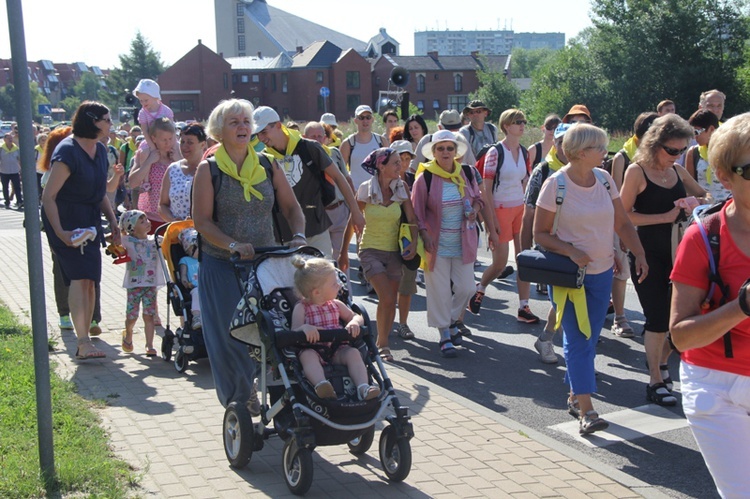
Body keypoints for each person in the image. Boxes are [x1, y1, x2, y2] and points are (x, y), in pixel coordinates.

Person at [533, 123, 647, 435]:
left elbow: (622, 222)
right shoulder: (555, 185)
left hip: (602, 273)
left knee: (589, 337)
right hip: (571, 277)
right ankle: (588, 410)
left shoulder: (604, 178)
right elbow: (539, 233)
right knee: (580, 340)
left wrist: (639, 254)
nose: (605, 153)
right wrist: (570, 251)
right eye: (599, 148)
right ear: (582, 152)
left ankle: (573, 395)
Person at [192, 98, 305, 411]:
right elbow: (201, 221)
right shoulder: (209, 169)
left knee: (274, 330)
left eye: (246, 121)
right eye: (234, 122)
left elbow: (292, 208)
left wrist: (297, 235)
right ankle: (240, 400)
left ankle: (279, 393)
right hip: (223, 265)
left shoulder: (267, 164)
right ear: (219, 131)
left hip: (266, 262)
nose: (242, 127)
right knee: (233, 336)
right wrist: (231, 244)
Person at [669, 112, 750, 498]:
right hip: (715, 388)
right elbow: (681, 337)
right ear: (724, 175)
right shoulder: (704, 238)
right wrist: (742, 305)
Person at [620, 114, 708, 406]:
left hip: (680, 254)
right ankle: (655, 379)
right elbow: (622, 215)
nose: (677, 155)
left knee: (679, 318)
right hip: (647, 254)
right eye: (671, 150)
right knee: (656, 318)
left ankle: (660, 362)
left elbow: (705, 194)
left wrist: (698, 202)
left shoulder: (679, 172)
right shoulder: (637, 172)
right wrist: (666, 217)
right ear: (654, 144)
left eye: (682, 150)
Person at [41, 101, 120, 360]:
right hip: (65, 220)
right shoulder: (67, 151)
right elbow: (48, 197)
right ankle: (82, 341)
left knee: (90, 280)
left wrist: (113, 222)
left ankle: (85, 337)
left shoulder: (100, 150)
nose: (111, 124)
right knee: (79, 276)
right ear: (93, 121)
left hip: (89, 220)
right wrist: (61, 233)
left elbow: (100, 193)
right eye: (107, 119)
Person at [253, 106, 364, 256]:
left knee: (324, 277)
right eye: (258, 134)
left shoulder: (309, 147)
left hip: (317, 231)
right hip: (282, 235)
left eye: (264, 132)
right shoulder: (263, 159)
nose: (261, 138)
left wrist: (356, 212)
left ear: (278, 125)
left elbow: (339, 177)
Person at [340, 148, 418, 360]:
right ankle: (382, 345)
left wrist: (414, 243)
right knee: (387, 296)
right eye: (394, 163)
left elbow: (412, 219)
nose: (399, 166)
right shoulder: (366, 189)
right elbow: (352, 220)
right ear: (381, 166)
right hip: (370, 250)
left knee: (389, 299)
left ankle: (381, 342)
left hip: (394, 251)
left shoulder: (401, 188)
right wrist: (343, 253)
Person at [412, 130, 483, 358]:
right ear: (433, 152)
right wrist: (424, 234)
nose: (445, 152)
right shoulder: (426, 177)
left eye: (449, 148)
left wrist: (475, 212)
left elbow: (479, 200)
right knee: (439, 292)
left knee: (467, 288)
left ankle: (451, 320)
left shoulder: (467, 173)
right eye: (440, 148)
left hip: (464, 241)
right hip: (436, 244)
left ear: (456, 152)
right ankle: (444, 334)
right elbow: (417, 211)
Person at [470, 109, 540, 324]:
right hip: (499, 210)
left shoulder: (525, 153)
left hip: (519, 209)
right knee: (500, 263)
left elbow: (525, 183)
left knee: (524, 261)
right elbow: (486, 191)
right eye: (517, 122)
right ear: (506, 126)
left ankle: (523, 307)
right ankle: (479, 288)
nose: (522, 125)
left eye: (524, 121)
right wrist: (490, 225)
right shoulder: (495, 152)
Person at [290, 256, 380, 401]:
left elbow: (355, 316)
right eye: (334, 284)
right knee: (307, 356)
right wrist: (304, 328)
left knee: (353, 353)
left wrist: (354, 323)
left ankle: (363, 387)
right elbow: (294, 331)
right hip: (313, 348)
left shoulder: (336, 304)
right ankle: (322, 385)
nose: (339, 285)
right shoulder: (302, 308)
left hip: (338, 348)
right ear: (317, 292)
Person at [521, 122, 572, 363]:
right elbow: (529, 213)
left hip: (581, 244)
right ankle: (560, 345)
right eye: (561, 142)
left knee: (568, 298)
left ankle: (549, 338)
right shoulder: (543, 171)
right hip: (551, 246)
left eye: (571, 142)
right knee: (563, 298)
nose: (566, 148)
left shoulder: (589, 170)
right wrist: (525, 253)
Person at [609, 112, 658, 339]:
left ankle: (655, 318)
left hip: (652, 224)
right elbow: (617, 200)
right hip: (627, 223)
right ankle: (619, 318)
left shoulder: (658, 157)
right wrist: (621, 231)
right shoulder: (622, 158)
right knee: (622, 273)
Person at [302, 121, 354, 262]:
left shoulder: (334, 153)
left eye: (321, 136)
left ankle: (342, 284)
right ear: (304, 137)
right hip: (317, 214)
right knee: (321, 258)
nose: (318, 140)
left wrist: (352, 208)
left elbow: (346, 179)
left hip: (338, 211)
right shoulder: (300, 158)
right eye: (313, 136)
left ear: (326, 138)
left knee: (340, 257)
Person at [118, 210, 165, 356]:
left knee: (149, 316)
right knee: (132, 316)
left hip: (150, 285)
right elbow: (113, 239)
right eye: (142, 221)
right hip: (134, 286)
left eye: (146, 220)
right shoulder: (127, 241)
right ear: (131, 228)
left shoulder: (155, 240)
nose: (148, 223)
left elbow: (170, 238)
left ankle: (149, 345)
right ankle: (129, 333)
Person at [391, 140, 419, 341]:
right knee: (390, 285)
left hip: (409, 237)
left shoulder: (415, 179)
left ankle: (403, 324)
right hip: (386, 236)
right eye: (401, 158)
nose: (405, 162)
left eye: (408, 158)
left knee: (407, 284)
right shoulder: (381, 180)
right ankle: (387, 322)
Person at [128, 117, 177, 233]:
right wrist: (149, 162)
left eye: (170, 139)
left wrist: (178, 159)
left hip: (176, 217)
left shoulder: (178, 153)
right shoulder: (145, 154)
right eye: (164, 139)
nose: (168, 143)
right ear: (153, 138)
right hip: (151, 219)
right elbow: (132, 183)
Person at [159, 122, 208, 222]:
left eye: (190, 142)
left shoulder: (210, 169)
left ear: (202, 144)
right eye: (182, 142)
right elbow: (162, 205)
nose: (185, 146)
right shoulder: (173, 169)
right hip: (177, 233)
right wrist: (173, 220)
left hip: (204, 232)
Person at [340, 105, 389, 190]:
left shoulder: (381, 141)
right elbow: (340, 173)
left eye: (368, 117)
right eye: (361, 118)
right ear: (355, 121)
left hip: (379, 193)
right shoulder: (348, 143)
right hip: (356, 194)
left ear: (372, 119)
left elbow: (389, 167)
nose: (365, 121)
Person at [685, 110, 728, 202]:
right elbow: (690, 187)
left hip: (730, 208)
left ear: (711, 129)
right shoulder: (694, 152)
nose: (694, 137)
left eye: (696, 132)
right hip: (705, 209)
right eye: (692, 133)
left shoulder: (730, 152)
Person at [132, 79, 175, 154]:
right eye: (141, 101)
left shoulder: (166, 111)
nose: (143, 103)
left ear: (155, 97)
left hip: (167, 140)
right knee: (143, 153)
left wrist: (172, 144)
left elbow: (172, 129)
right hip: (151, 140)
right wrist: (152, 146)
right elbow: (144, 131)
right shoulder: (142, 113)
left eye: (146, 100)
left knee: (177, 152)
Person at [177, 227, 201, 329]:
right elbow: (183, 274)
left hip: (208, 284)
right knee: (196, 293)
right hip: (194, 286)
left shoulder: (205, 259)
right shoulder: (185, 260)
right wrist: (184, 280)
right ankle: (197, 317)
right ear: (189, 250)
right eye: (196, 247)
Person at [0, 132, 22, 209]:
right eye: (8, 138)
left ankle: (19, 201)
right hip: (4, 171)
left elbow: (20, 159)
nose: (10, 140)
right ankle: (7, 201)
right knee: (5, 187)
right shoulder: (1, 149)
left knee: (17, 187)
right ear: (4, 139)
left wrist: (21, 170)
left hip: (15, 171)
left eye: (11, 138)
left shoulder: (16, 149)